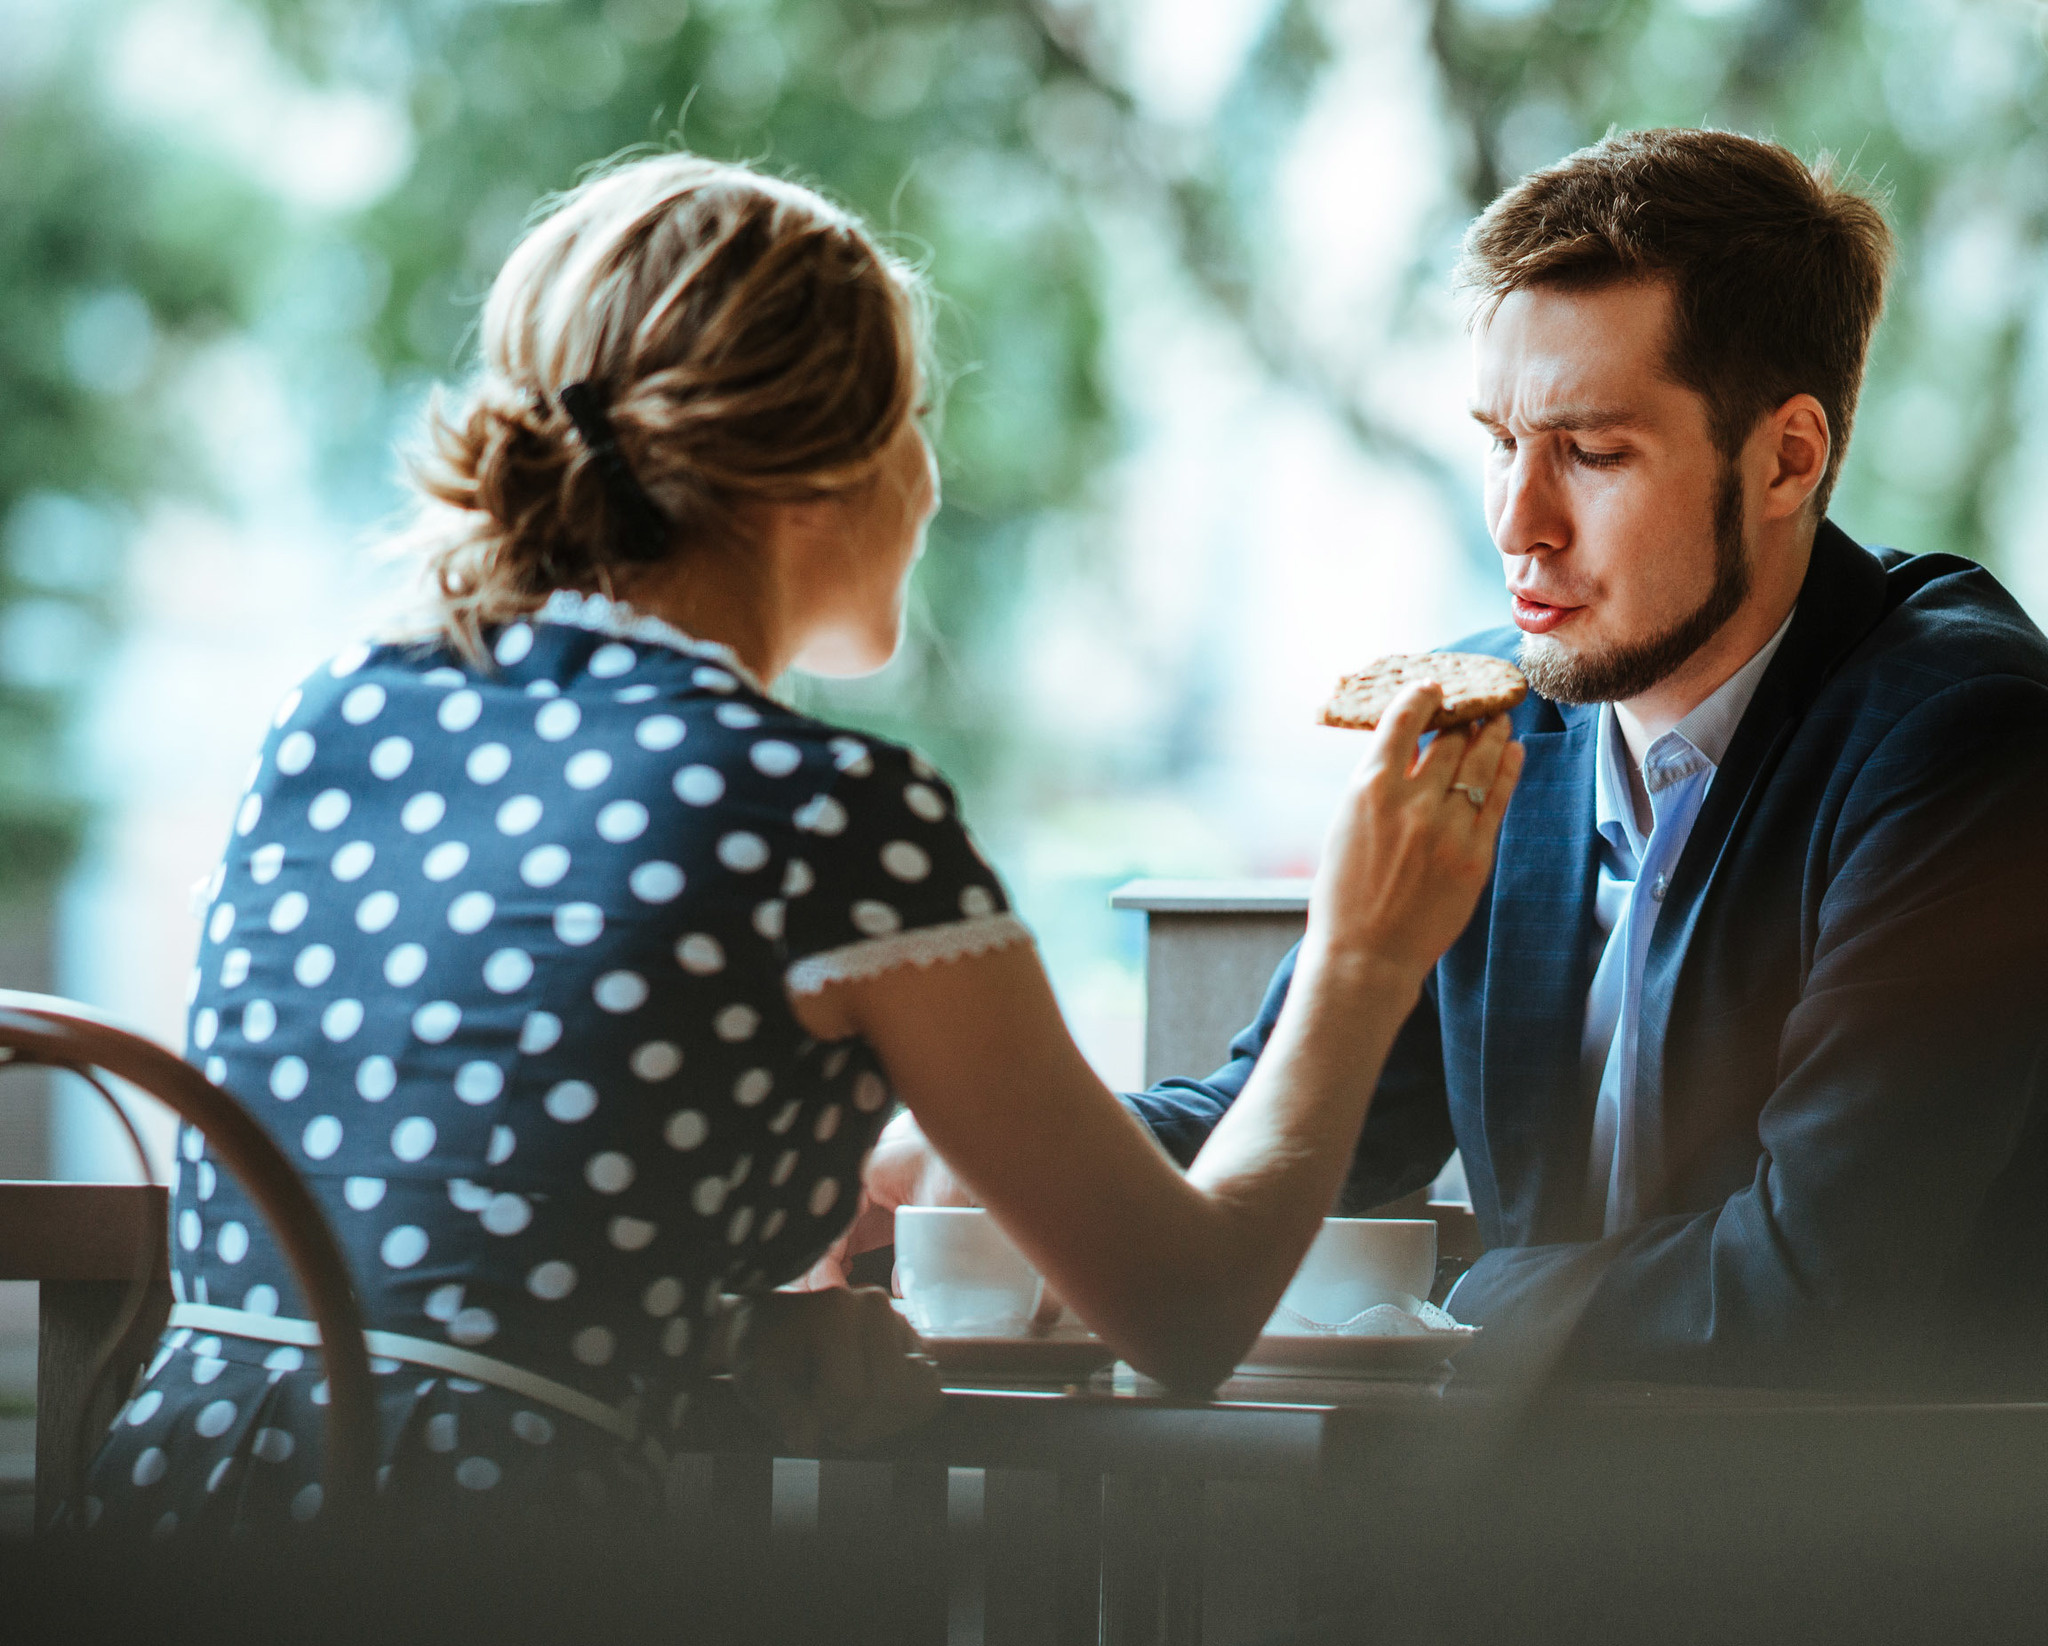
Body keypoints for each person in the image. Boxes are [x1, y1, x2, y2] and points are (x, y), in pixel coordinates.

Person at [82, 154, 1521, 1540]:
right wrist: (1363, 956)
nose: (934, 484)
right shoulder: (829, 818)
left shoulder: (335, 713)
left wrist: (733, 1329)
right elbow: (1189, 1310)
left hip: (163, 1517)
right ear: (818, 477)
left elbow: (470, 1196)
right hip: (486, 1574)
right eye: (915, 425)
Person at [862, 130, 2048, 1429]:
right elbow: (1311, 1121)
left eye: (1592, 454)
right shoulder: (1499, 719)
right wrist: (993, 1162)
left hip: (1952, 1564)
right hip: (1594, 1542)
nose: (1516, 522)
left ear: (1787, 458)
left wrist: (1447, 1311)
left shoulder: (1967, 740)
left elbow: (1819, 1283)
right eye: (1500, 440)